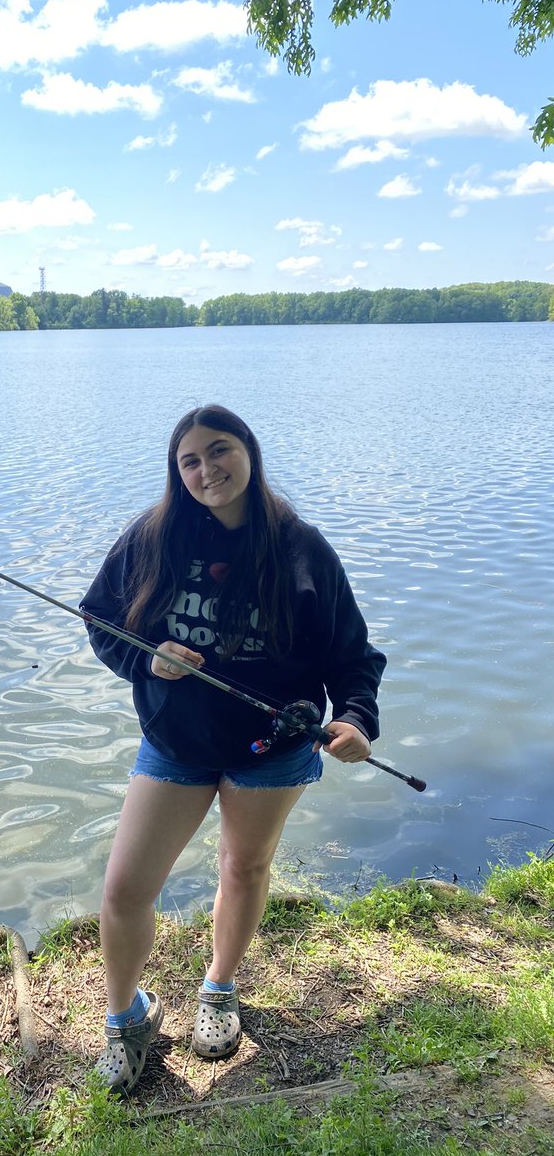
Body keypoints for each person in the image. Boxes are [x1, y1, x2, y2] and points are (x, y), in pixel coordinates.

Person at [79, 404, 386, 1094]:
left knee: (244, 869)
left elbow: (354, 654)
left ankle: (219, 988)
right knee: (126, 888)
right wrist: (147, 661)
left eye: (219, 451)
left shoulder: (302, 548)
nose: (206, 469)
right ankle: (127, 1020)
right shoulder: (153, 537)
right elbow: (99, 618)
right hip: (177, 742)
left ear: (248, 451)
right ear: (176, 471)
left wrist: (357, 719)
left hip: (271, 747)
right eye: (189, 460)